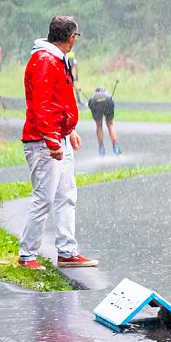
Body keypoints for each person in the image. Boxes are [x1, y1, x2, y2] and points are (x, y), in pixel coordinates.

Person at [18, 15, 97, 269]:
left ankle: (67, 251)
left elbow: (57, 102)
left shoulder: (54, 58)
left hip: (59, 137)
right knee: (44, 198)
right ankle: (27, 255)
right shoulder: (44, 60)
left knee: (65, 195)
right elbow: (41, 106)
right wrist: (53, 140)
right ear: (71, 37)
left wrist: (69, 130)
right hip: (43, 142)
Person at [87, 86, 121, 156]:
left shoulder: (93, 96)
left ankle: (101, 148)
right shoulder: (107, 94)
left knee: (99, 125)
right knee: (110, 124)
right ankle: (116, 146)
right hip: (108, 101)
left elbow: (90, 105)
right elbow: (112, 104)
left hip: (95, 102)